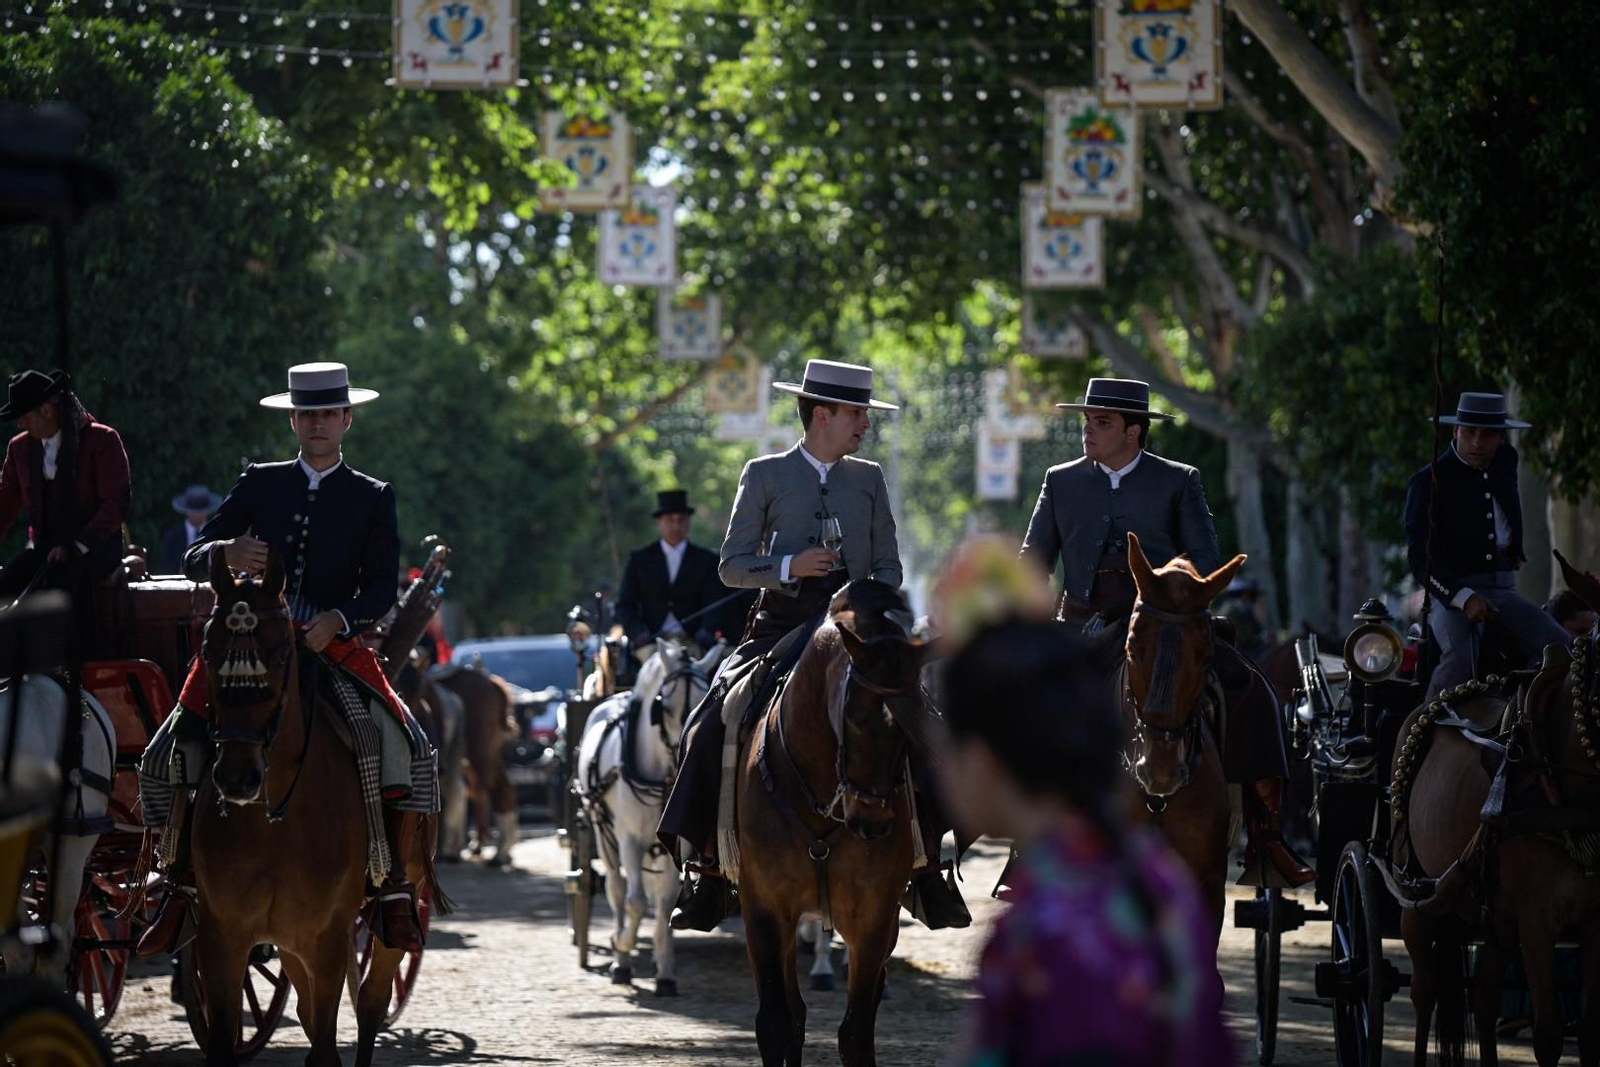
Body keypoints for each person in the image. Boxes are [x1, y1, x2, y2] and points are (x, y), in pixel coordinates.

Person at [658, 358, 969, 931]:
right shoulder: (764, 474)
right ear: (821, 414)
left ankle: (928, 867)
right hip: (782, 625)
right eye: (857, 414)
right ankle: (705, 868)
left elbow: (890, 567)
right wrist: (788, 565)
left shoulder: (869, 478)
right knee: (715, 714)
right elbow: (731, 567)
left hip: (858, 627)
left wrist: (862, 585)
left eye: (865, 416)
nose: (865, 425)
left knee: (922, 716)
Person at [137, 362, 437, 955]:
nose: (319, 423)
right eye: (309, 414)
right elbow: (197, 552)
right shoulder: (259, 482)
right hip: (248, 644)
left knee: (405, 745)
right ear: (294, 421)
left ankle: (393, 884)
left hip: (330, 645)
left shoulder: (373, 496)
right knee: (164, 752)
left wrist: (340, 620)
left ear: (347, 420)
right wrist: (224, 549)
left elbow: (380, 587)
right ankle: (175, 883)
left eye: (330, 413)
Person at [1021, 377, 1313, 887]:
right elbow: (1034, 560)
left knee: (1253, 690)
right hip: (1084, 621)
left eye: (1102, 422)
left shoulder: (1180, 479)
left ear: (1134, 431)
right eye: (1086, 420)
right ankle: (1031, 839)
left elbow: (1204, 556)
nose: (1088, 429)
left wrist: (1168, 585)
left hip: (1166, 620)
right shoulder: (1060, 479)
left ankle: (1267, 831)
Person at [940, 617, 1233, 1067]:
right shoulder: (1163, 882)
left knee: (1251, 695)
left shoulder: (1038, 930)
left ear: (982, 761)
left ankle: (1266, 822)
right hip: (1093, 617)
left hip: (1162, 609)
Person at [1404, 391, 1570, 702]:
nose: (1477, 443)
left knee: (1564, 652)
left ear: (1501, 438)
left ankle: (1537, 736)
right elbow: (1419, 558)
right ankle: (1421, 737)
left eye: (1488, 434)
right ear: (1455, 431)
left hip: (1505, 592)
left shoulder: (1505, 461)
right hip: (1450, 595)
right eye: (1469, 432)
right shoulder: (1428, 481)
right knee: (1460, 658)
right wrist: (1463, 597)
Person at [0, 368, 130, 605]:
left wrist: (76, 545)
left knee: (58, 582)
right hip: (46, 550)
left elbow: (115, 504)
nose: (20, 425)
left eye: (25, 417)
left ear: (47, 411)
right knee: (7, 580)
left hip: (95, 547)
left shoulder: (103, 441)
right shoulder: (19, 449)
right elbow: (4, 504)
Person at [614, 489, 732, 655]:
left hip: (692, 643)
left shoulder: (707, 559)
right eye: (670, 520)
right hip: (652, 644)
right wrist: (637, 632)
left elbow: (714, 601)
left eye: (681, 520)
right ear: (659, 522)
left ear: (688, 521)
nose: (676, 526)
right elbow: (625, 604)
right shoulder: (640, 559)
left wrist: (707, 629)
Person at [160, 483, 221, 574]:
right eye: (194, 510)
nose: (197, 514)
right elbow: (166, 567)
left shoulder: (216, 533)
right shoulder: (172, 536)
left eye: (200, 510)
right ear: (187, 510)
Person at [1218, 575, 1269, 660]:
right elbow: (1244, 639)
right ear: (1245, 595)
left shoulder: (1240, 610)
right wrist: (1262, 638)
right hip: (1238, 655)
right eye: (1252, 596)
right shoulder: (1231, 613)